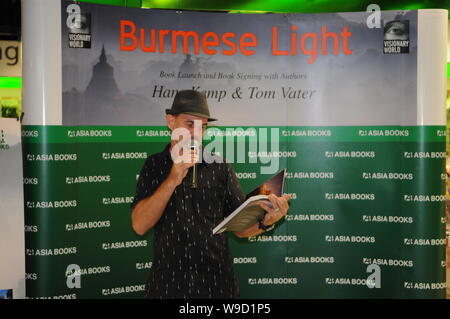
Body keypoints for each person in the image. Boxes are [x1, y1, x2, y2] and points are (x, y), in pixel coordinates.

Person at [131, 89, 291, 299]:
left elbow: (240, 228)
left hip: (217, 285)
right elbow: (140, 225)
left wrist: (266, 221)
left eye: (203, 126)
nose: (197, 133)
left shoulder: (220, 167)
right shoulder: (154, 165)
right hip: (167, 286)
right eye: (190, 124)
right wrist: (173, 178)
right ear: (171, 122)